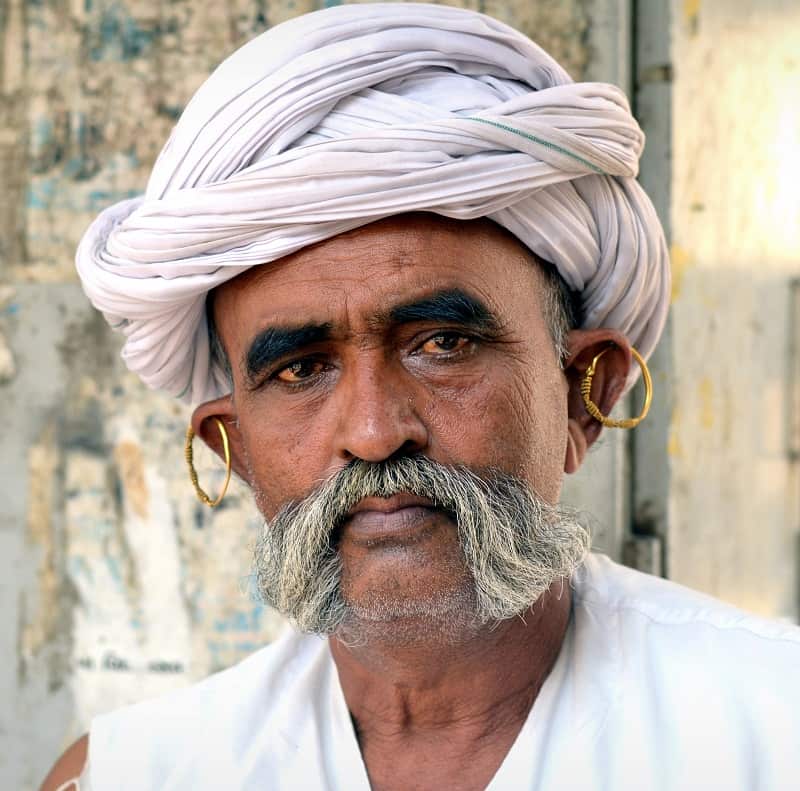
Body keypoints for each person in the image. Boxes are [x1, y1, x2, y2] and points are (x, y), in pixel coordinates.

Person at [42, 4, 799, 790]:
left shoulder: (773, 728)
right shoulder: (133, 774)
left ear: (585, 396)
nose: (373, 432)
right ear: (229, 450)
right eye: (300, 369)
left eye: (443, 343)